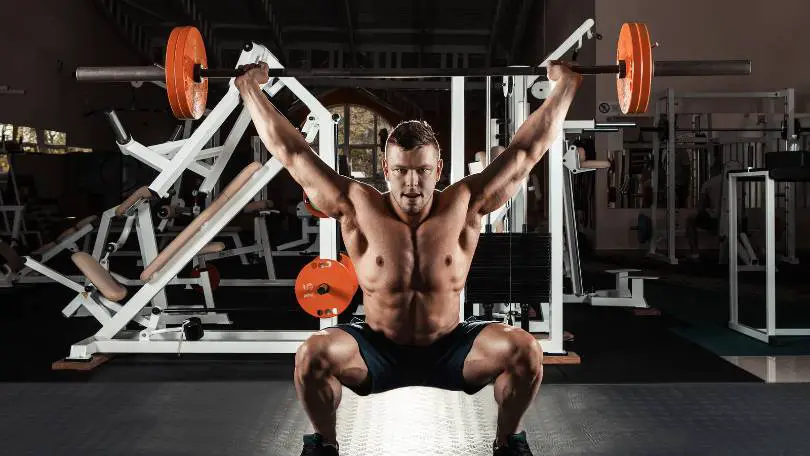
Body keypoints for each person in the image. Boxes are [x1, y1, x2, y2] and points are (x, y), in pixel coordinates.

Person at [234, 61, 582, 456]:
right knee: (310, 355)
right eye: (401, 171)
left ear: (439, 169)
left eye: (422, 171)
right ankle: (324, 445)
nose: (412, 183)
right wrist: (250, 91)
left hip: (451, 347)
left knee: (527, 351)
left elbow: (525, 151)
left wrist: (566, 86)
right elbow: (292, 152)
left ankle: (507, 442)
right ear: (385, 169)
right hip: (376, 349)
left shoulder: (465, 204)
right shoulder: (357, 206)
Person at [686, 161, 724, 261]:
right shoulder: (732, 181)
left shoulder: (708, 183)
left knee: (690, 220)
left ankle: (694, 252)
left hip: (714, 221)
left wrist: (708, 210)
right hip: (733, 220)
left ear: (713, 171)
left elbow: (700, 207)